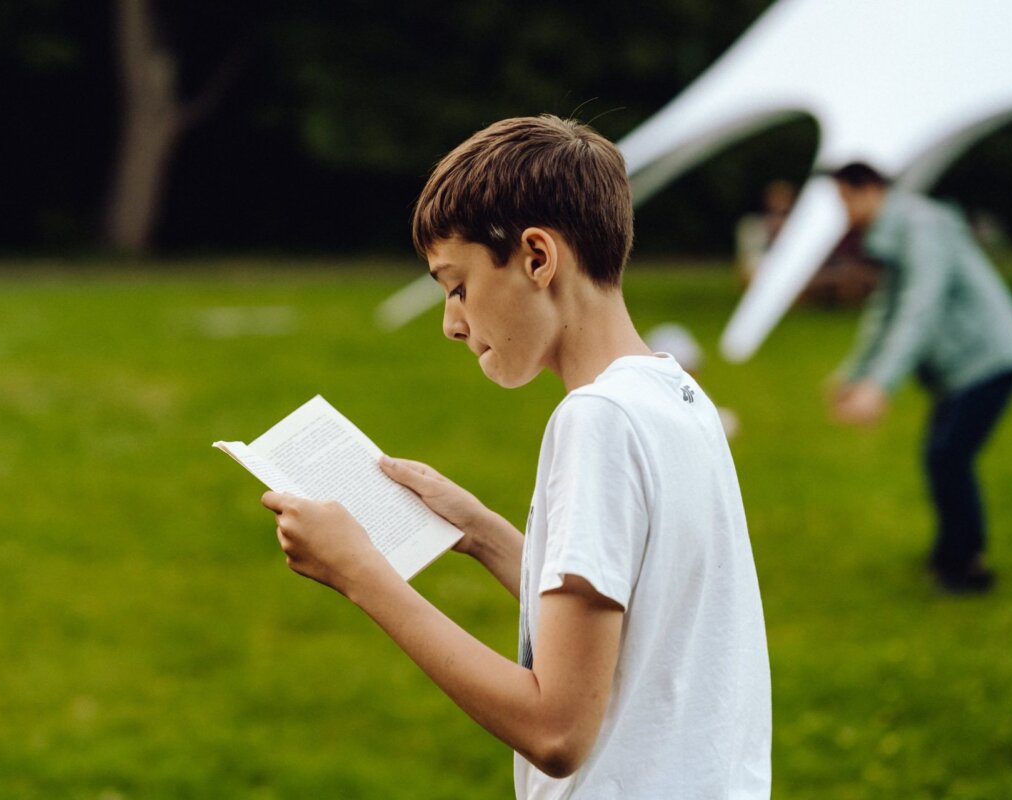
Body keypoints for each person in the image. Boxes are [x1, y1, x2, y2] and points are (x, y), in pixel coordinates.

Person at [260, 116, 771, 798]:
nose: (450, 322)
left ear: (537, 257)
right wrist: (480, 532)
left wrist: (362, 575)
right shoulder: (674, 394)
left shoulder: (596, 423)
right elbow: (631, 618)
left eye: (457, 285)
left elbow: (557, 730)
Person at [825, 161, 1012, 594]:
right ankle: (952, 553)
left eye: (844, 199)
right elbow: (885, 312)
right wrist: (854, 374)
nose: (843, 212)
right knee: (942, 456)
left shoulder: (921, 225)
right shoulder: (896, 231)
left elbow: (921, 308)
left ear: (868, 190)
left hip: (990, 357)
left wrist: (880, 385)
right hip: (962, 367)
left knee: (948, 456)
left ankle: (967, 567)